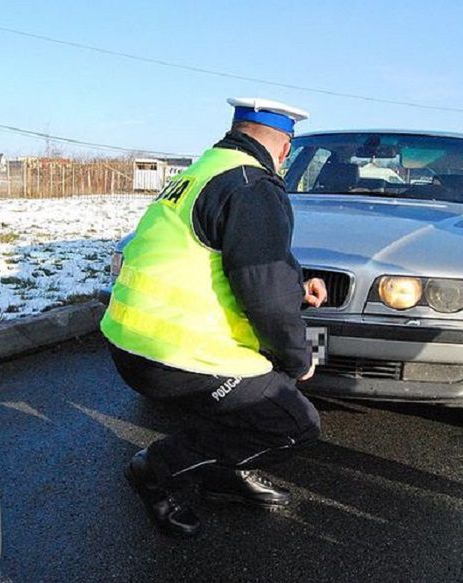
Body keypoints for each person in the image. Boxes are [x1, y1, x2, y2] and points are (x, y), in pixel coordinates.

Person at [101, 97, 326, 537]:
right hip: (172, 352)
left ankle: (221, 471)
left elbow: (220, 263)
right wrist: (299, 358)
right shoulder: (253, 185)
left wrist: (297, 288)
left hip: (132, 341)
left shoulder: (204, 171)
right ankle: (156, 469)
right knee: (293, 423)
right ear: (284, 149)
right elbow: (264, 295)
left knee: (255, 395)